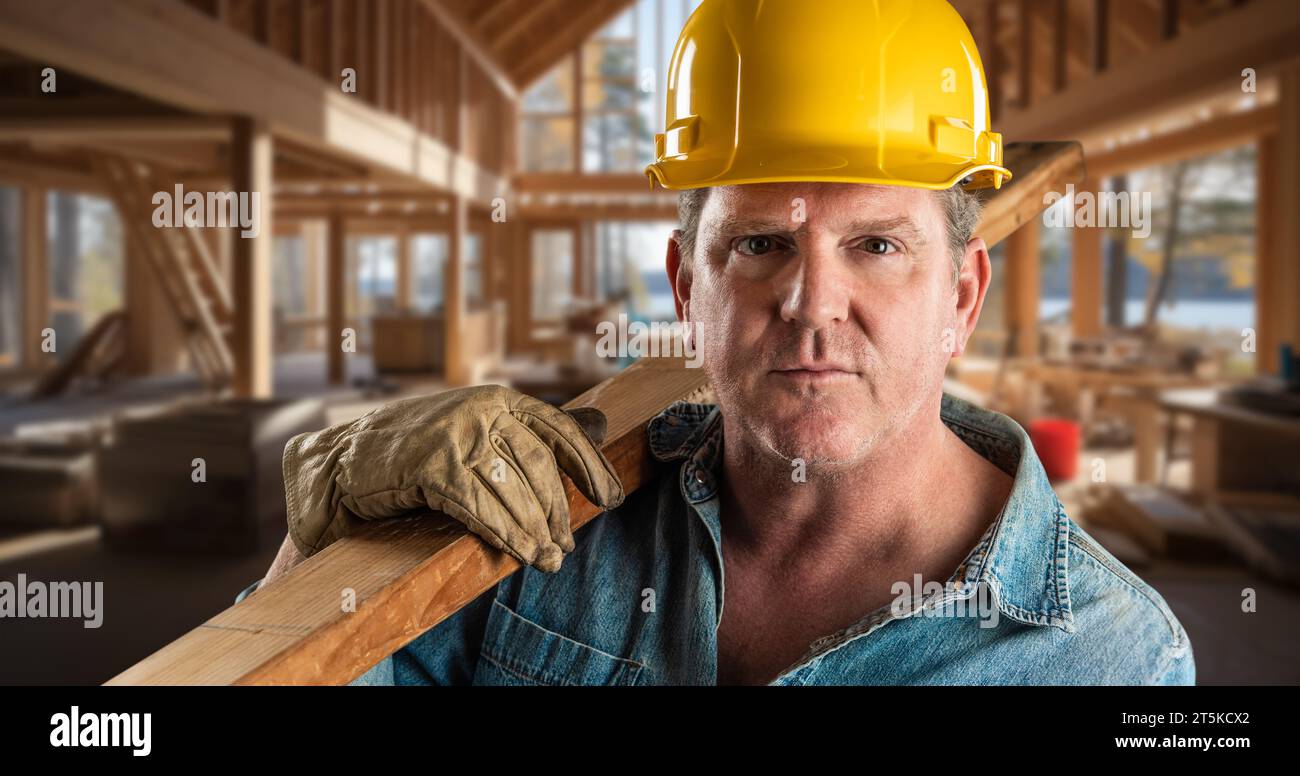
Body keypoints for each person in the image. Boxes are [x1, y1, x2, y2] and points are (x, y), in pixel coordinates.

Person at [241, 0, 1194, 685]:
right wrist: (329, 532)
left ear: (965, 294)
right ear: (688, 288)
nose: (813, 303)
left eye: (876, 246)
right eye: (761, 244)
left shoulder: (1112, 660)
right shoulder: (535, 536)